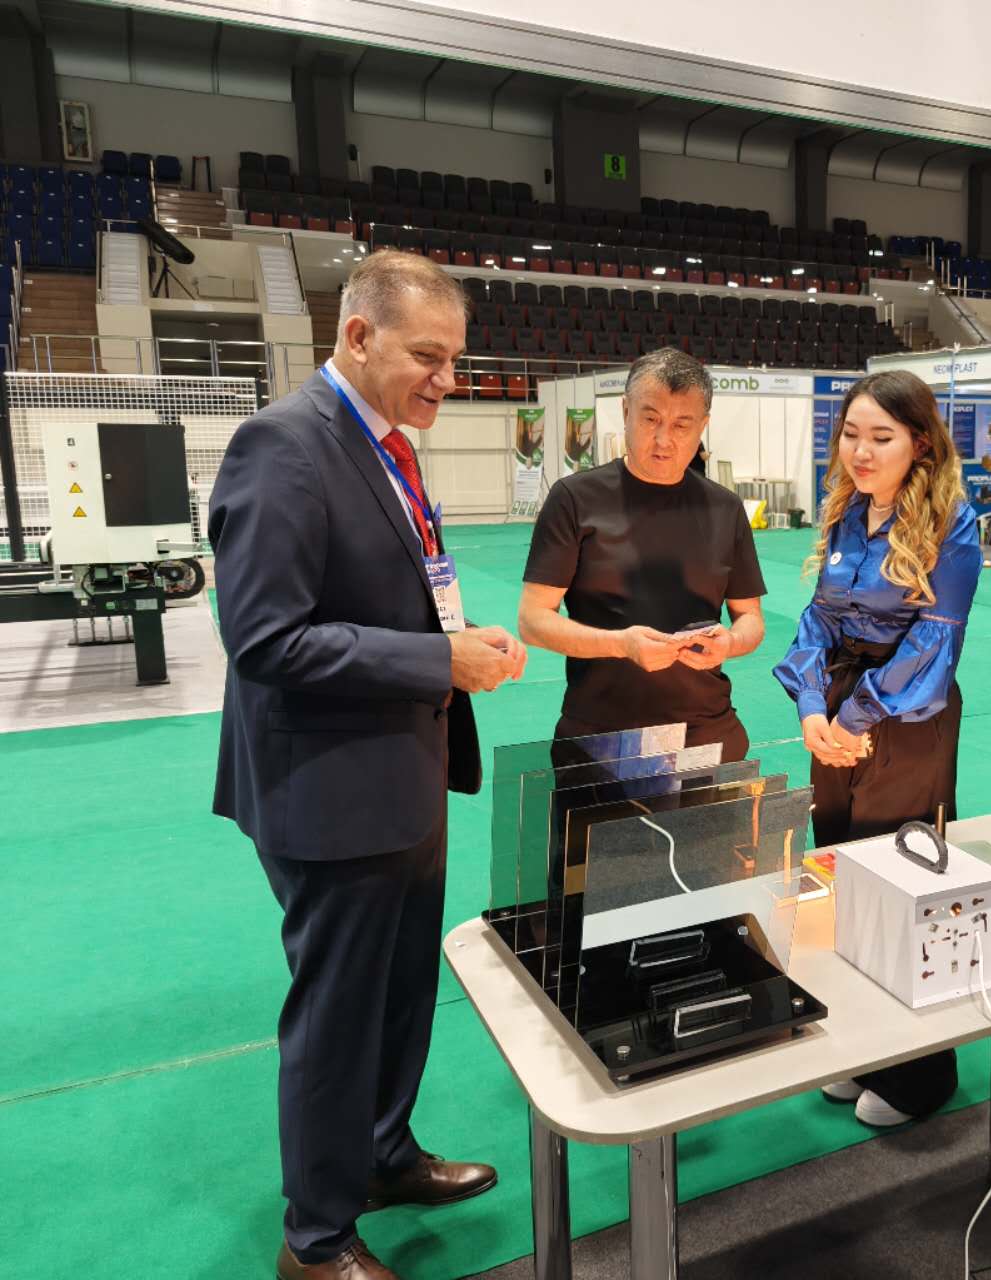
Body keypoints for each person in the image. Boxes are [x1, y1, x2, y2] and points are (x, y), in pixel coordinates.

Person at [210, 250, 527, 1280]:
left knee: (397, 993)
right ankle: (315, 1241)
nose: (448, 379)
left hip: (401, 775)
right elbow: (266, 639)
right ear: (357, 336)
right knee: (337, 1015)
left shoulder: (384, 443)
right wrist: (438, 660)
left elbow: (391, 592)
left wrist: (454, 641)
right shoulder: (284, 445)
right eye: (427, 356)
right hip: (330, 792)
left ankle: (383, 1156)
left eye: (455, 358)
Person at [773, 369, 981, 1128]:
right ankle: (865, 1047)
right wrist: (809, 707)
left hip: (907, 716)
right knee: (837, 868)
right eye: (851, 435)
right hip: (837, 708)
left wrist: (855, 717)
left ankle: (921, 1074)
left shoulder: (952, 523)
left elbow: (934, 642)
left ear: (919, 443)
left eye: (880, 437)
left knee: (902, 878)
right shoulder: (847, 513)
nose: (860, 452)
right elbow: (818, 619)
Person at [518, 348, 766, 760]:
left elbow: (750, 618)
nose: (664, 440)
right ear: (625, 411)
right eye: (650, 419)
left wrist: (731, 643)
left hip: (705, 728)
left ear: (703, 426)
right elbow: (533, 621)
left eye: (682, 425)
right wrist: (621, 645)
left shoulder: (725, 508)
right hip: (600, 733)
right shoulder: (575, 499)